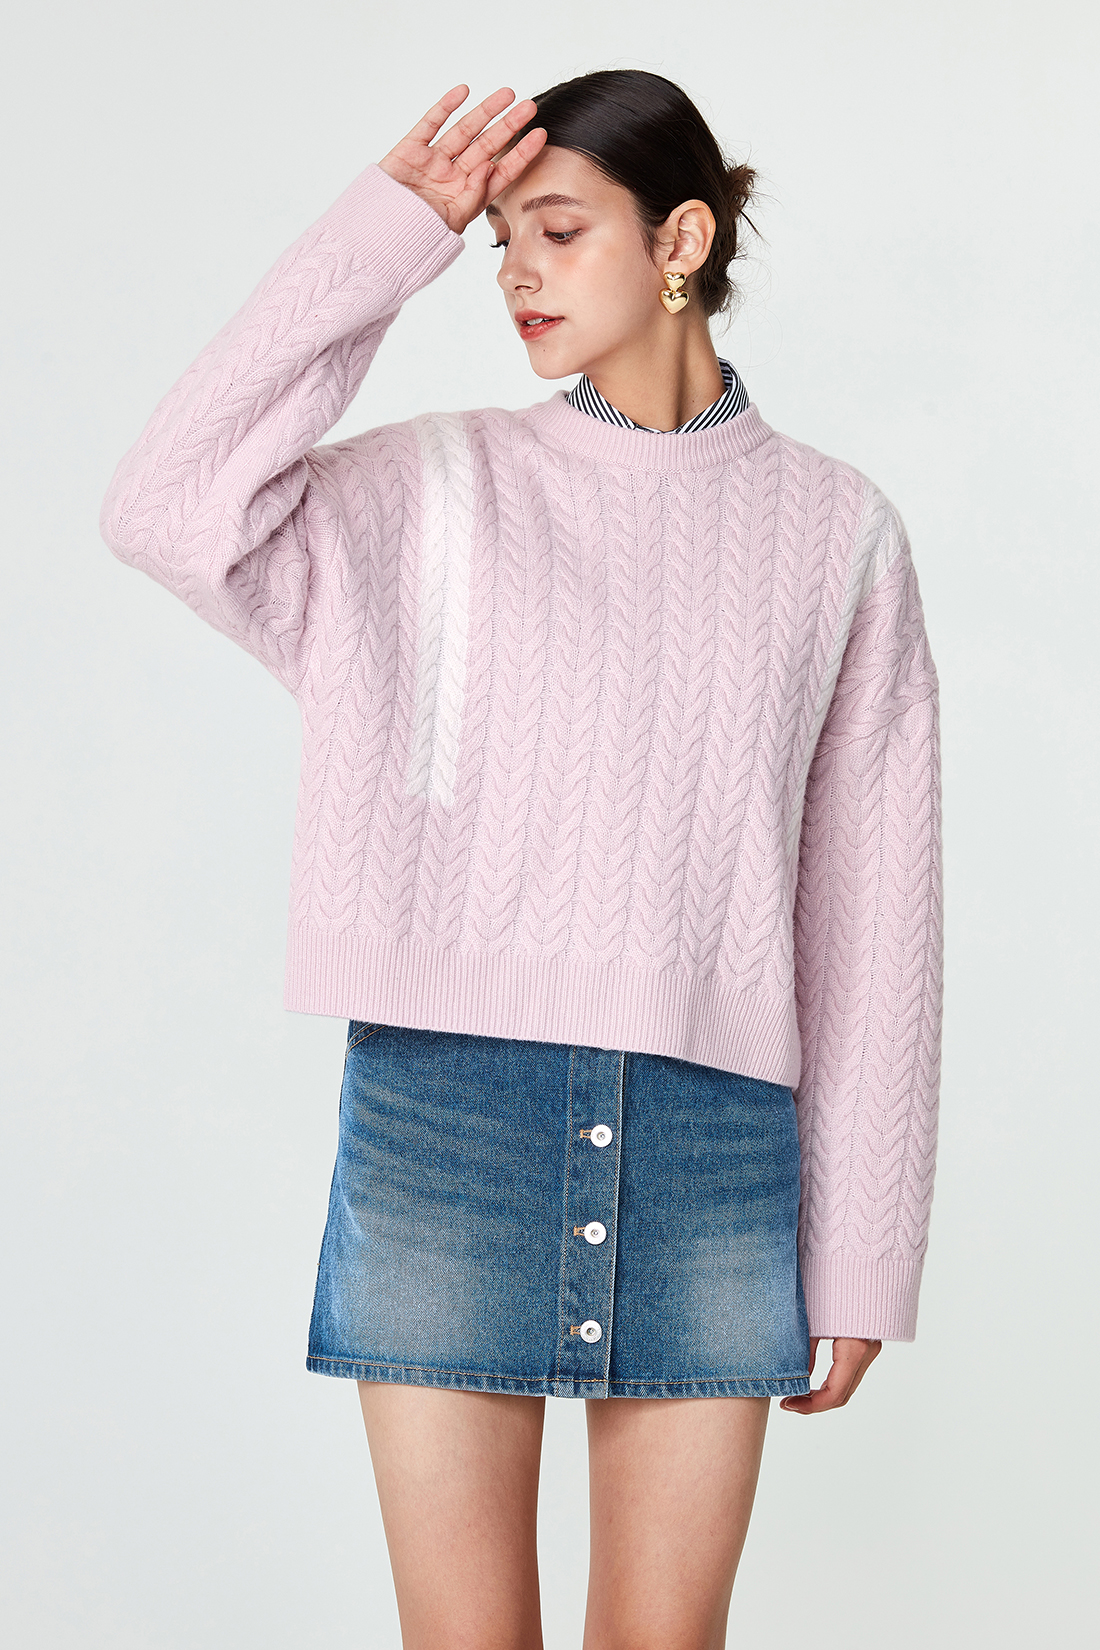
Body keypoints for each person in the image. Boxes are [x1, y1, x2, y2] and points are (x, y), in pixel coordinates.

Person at [100, 69, 943, 1650]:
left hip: (716, 1141)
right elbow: (165, 507)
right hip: (447, 1116)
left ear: (681, 239)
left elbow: (876, 922)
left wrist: (865, 1252)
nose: (516, 276)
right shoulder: (430, 489)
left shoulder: (840, 534)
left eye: (558, 231)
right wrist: (387, 235)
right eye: (499, 243)